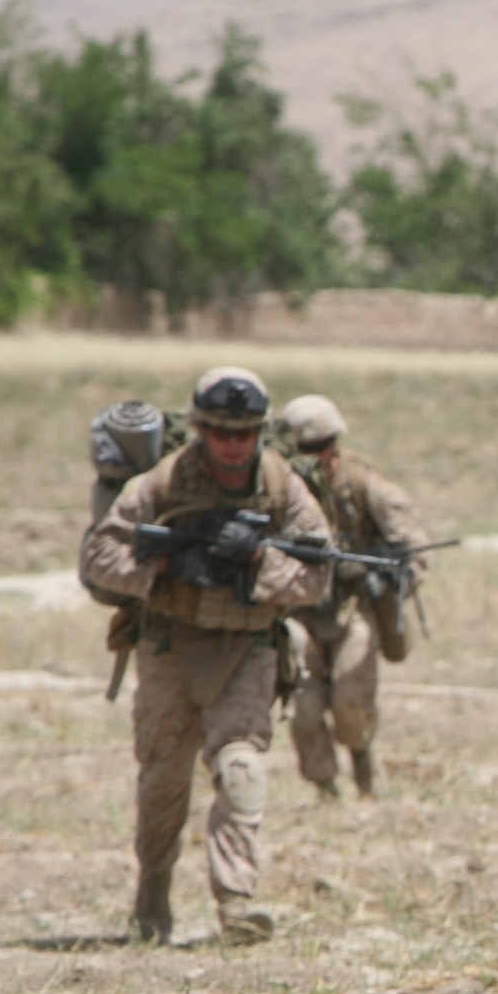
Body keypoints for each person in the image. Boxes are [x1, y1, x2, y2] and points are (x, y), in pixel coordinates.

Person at [78, 367, 333, 945]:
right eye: (220, 432)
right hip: (170, 644)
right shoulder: (163, 483)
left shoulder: (282, 483)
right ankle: (152, 898)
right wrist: (172, 566)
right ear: (199, 429)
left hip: (247, 647)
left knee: (241, 765)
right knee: (164, 780)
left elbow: (319, 576)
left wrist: (258, 561)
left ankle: (237, 903)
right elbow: (99, 557)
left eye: (245, 433)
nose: (233, 445)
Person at [276, 393, 434, 799]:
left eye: (322, 447)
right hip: (297, 609)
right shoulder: (273, 488)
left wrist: (391, 572)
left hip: (351, 607)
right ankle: (325, 788)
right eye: (305, 450)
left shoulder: (363, 485)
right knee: (305, 706)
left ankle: (363, 765)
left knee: (350, 694)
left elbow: (412, 544)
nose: (315, 458)